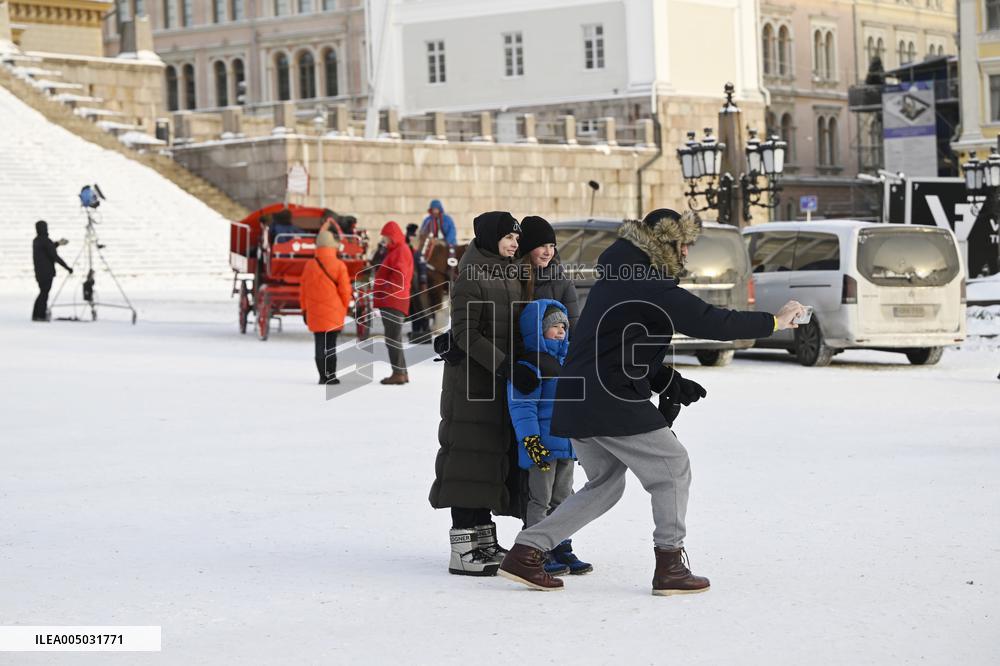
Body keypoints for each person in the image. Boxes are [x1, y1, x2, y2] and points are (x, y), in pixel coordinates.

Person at [498, 209, 806, 593]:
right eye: (682, 244)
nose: (687, 252)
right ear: (663, 243)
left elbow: (619, 345)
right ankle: (670, 565)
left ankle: (527, 551)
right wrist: (774, 322)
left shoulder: (622, 276)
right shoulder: (644, 280)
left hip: (582, 398)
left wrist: (665, 378)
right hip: (608, 398)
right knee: (673, 467)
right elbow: (709, 320)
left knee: (606, 484)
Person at [429, 211, 523, 576]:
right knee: (467, 462)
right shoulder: (472, 275)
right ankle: (463, 547)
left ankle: (484, 539)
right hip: (471, 386)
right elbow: (465, 333)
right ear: (489, 238)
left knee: (488, 461)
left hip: (496, 383)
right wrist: (504, 365)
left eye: (516, 237)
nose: (515, 243)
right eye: (508, 237)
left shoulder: (508, 273)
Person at [508, 299, 592, 576]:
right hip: (541, 448)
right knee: (540, 500)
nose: (560, 332)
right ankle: (534, 549)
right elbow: (522, 407)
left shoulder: (569, 363)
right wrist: (531, 442)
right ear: (537, 330)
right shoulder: (530, 365)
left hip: (567, 445)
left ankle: (561, 546)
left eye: (563, 327)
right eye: (554, 326)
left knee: (565, 499)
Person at [299, 223, 352, 384]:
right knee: (331, 346)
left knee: (319, 344)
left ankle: (322, 377)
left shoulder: (309, 265)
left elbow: (303, 290)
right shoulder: (339, 265)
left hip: (314, 311)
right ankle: (331, 376)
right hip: (334, 311)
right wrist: (343, 307)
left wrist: (304, 310)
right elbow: (345, 291)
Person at [517, 215, 580, 330]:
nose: (548, 252)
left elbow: (573, 328)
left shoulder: (563, 282)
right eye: (542, 246)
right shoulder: (511, 278)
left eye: (551, 246)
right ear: (527, 248)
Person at [372, 221, 414, 385]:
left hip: (393, 299)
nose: (384, 240)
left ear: (393, 236)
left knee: (392, 339)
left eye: (386, 237)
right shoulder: (398, 250)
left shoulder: (400, 251)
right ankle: (402, 372)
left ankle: (398, 373)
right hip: (394, 299)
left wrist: (385, 290)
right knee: (394, 338)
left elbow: (399, 275)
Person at [32, 220, 72, 321]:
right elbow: (54, 256)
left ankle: (36, 314)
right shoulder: (46, 241)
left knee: (42, 292)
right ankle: (40, 315)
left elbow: (47, 248)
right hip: (47, 273)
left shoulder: (36, 241)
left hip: (39, 272)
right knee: (44, 294)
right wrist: (67, 268)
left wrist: (58, 243)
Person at [405, 223, 432, 344]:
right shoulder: (412, 248)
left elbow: (422, 266)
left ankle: (423, 332)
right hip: (413, 284)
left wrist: (423, 281)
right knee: (416, 310)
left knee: (420, 308)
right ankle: (418, 332)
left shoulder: (415, 251)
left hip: (416, 285)